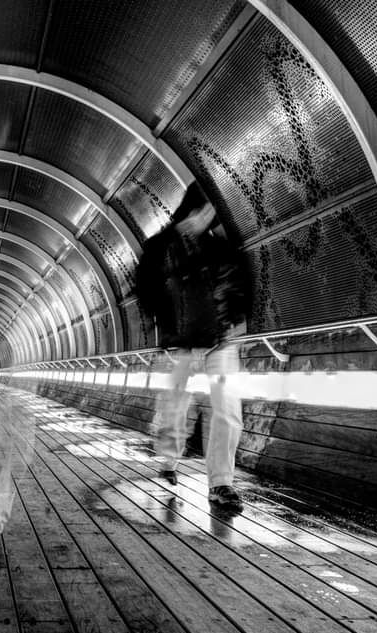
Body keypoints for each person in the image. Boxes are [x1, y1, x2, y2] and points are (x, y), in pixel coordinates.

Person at [135, 182, 252, 511]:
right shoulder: (159, 249)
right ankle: (169, 460)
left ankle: (221, 483)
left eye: (214, 214)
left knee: (227, 410)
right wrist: (166, 333)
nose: (210, 219)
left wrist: (238, 319)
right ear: (194, 209)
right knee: (176, 410)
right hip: (180, 348)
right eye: (207, 211)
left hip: (220, 344)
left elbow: (238, 283)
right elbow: (147, 293)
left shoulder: (220, 248)